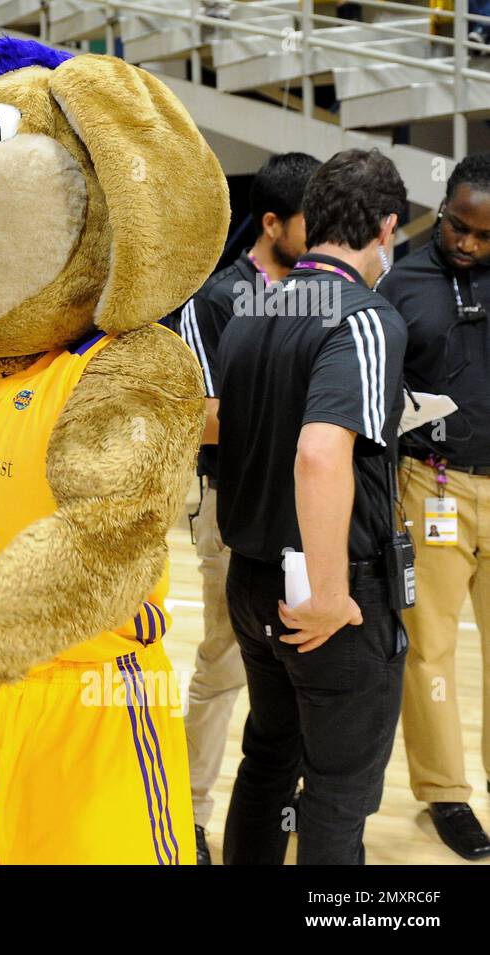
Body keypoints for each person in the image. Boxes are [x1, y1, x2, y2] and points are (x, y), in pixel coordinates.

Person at [216, 148, 409, 865]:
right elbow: (319, 454)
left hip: (252, 580)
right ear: (385, 227)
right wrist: (331, 594)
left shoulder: (256, 306)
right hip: (324, 590)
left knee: (268, 756)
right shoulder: (363, 318)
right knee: (335, 792)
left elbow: (228, 422)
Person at [166, 151, 321, 863]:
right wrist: (303, 413)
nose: (322, 237)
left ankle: (284, 809)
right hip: (236, 503)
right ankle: (189, 812)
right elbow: (204, 417)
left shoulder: (325, 290)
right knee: (226, 661)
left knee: (308, 665)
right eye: (310, 223)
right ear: (271, 224)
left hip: (316, 505)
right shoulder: (218, 299)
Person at [377, 152, 490, 861]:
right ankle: (446, 793)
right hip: (433, 484)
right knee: (432, 649)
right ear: (442, 209)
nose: (469, 244)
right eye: (459, 226)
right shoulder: (401, 282)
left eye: (484, 235)